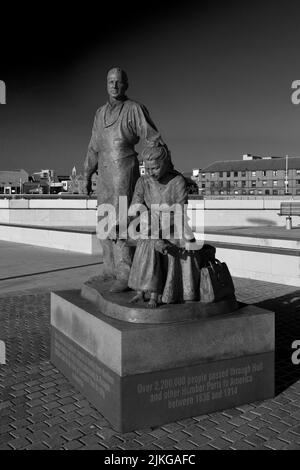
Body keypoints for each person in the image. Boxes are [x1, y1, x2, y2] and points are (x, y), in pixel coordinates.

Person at [83, 67, 164, 292]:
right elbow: (94, 146)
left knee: (121, 220)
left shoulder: (134, 109)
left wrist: (158, 166)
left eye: (119, 82)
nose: (115, 86)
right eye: (110, 82)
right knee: (104, 221)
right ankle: (109, 270)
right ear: (106, 84)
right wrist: (87, 173)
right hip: (104, 171)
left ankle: (125, 272)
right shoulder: (99, 113)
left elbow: (153, 138)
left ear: (126, 84)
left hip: (124, 168)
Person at [128, 145, 202, 308]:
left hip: (174, 224)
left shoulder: (177, 181)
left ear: (166, 163)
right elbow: (135, 205)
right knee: (146, 245)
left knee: (174, 245)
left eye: (155, 168)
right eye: (147, 168)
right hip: (150, 224)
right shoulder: (143, 181)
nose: (151, 172)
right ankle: (141, 291)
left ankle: (163, 292)